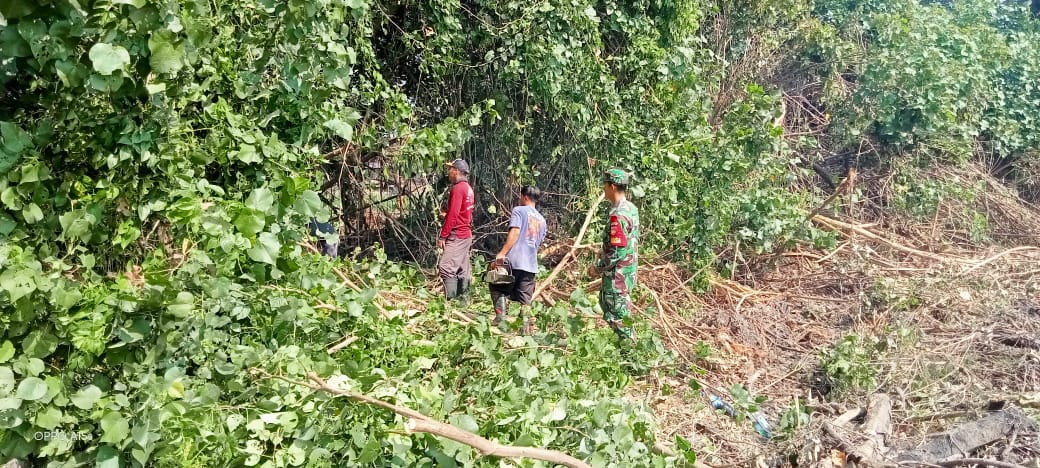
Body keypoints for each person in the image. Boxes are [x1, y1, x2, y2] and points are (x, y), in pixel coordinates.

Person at [588, 169, 640, 344]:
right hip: (626, 274)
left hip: (617, 277)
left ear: (611, 186)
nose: (603, 189)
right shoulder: (630, 209)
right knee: (614, 311)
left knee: (618, 317)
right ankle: (627, 352)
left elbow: (617, 252)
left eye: (605, 185)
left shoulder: (618, 216)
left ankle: (632, 358)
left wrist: (597, 267)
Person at [490, 185, 548, 334]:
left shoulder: (519, 211)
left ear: (525, 197)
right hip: (530, 263)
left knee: (497, 286)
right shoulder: (542, 220)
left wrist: (502, 253)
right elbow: (538, 242)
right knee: (525, 299)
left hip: (515, 259)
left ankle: (500, 318)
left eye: (520, 196)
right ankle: (525, 328)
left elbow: (515, 232)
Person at [438, 158, 476, 302]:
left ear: (457, 171)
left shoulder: (458, 189)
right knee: (461, 268)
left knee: (446, 267)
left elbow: (453, 215)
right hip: (465, 234)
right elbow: (461, 213)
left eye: (451, 169)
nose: (449, 172)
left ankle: (451, 302)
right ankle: (464, 301)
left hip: (458, 234)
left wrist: (443, 236)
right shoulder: (468, 189)